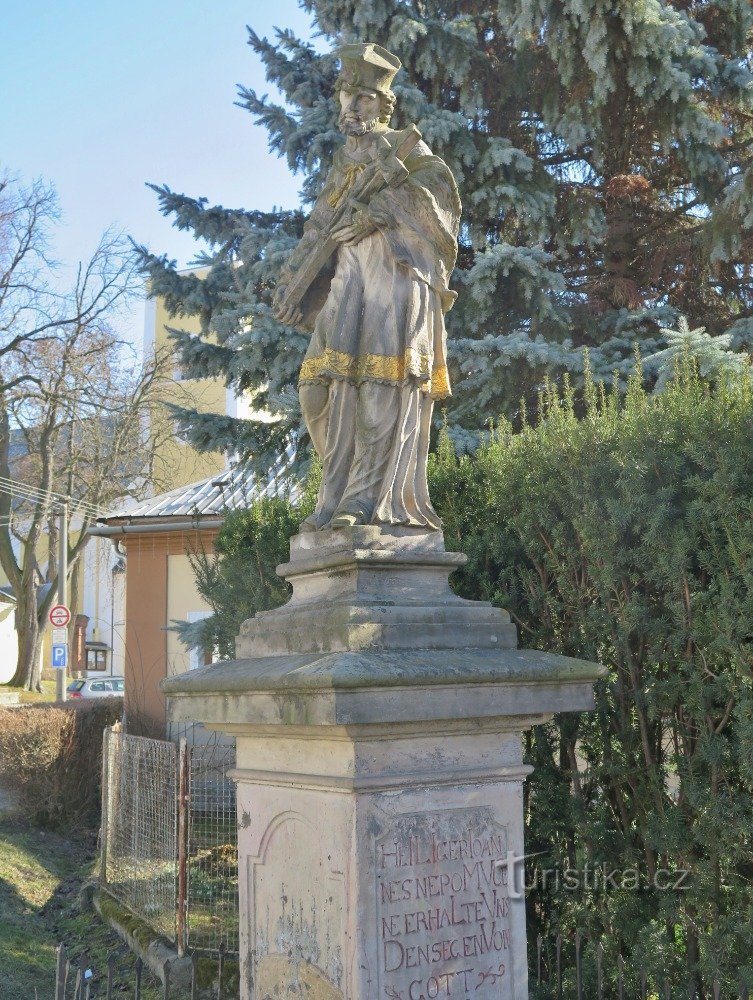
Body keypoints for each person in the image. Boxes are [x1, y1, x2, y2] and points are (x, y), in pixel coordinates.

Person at [273, 42, 461, 530]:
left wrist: (377, 213)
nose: (353, 105)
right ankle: (336, 490)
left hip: (393, 280)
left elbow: (440, 208)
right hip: (348, 285)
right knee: (315, 390)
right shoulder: (343, 162)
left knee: (378, 391)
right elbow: (319, 228)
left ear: (384, 103)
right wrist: (294, 286)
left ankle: (361, 501)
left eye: (364, 97)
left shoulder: (405, 150)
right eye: (347, 94)